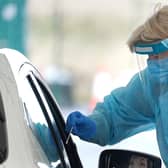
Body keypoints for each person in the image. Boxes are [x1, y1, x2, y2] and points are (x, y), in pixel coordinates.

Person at [65, 4, 168, 167]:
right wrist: (96, 124)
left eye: (156, 55)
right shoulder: (155, 85)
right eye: (148, 56)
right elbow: (119, 113)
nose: (151, 63)